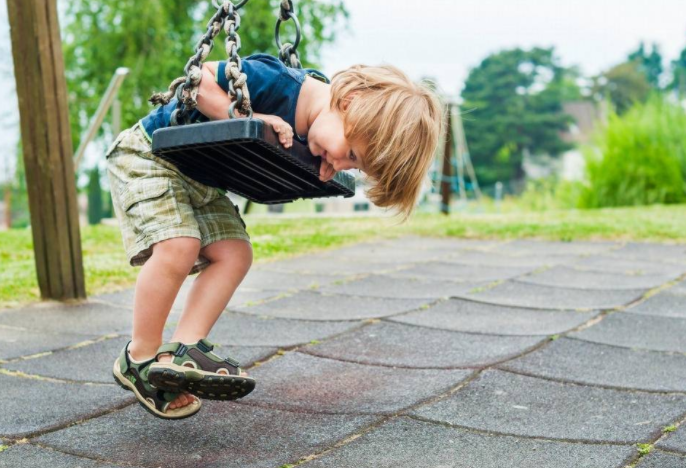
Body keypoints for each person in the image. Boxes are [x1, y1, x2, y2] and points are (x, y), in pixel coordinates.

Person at [106, 53, 443, 419]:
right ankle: (139, 357)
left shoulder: (319, 127)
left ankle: (184, 352)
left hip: (198, 177)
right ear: (350, 102)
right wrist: (246, 116)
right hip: (150, 154)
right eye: (350, 154)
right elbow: (198, 80)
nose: (342, 164)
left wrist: (315, 165)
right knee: (179, 246)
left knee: (236, 253)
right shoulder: (275, 80)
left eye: (353, 166)